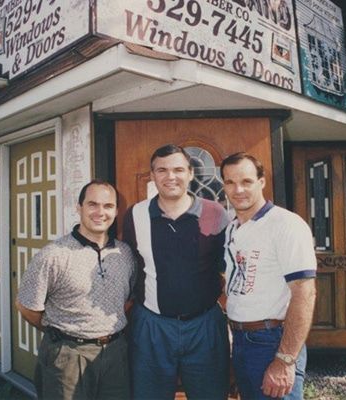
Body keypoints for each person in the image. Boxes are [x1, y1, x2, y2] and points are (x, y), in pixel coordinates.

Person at [122, 144, 230, 399]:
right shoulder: (135, 215)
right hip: (152, 325)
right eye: (162, 170)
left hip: (204, 325)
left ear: (191, 173)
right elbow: (128, 266)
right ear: (152, 175)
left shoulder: (216, 213)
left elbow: (228, 267)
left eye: (178, 169)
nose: (171, 177)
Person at [16, 180, 136, 400]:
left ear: (116, 210)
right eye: (92, 204)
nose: (100, 212)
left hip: (116, 355)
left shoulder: (125, 254)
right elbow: (26, 307)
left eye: (108, 206)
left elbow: (127, 301)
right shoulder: (53, 255)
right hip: (68, 358)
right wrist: (62, 332)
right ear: (79, 207)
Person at [220, 152, 317, 400]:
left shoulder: (285, 224)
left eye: (246, 181)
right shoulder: (233, 228)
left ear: (262, 182)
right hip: (242, 341)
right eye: (230, 182)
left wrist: (285, 360)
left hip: (272, 341)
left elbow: (304, 293)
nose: (238, 189)